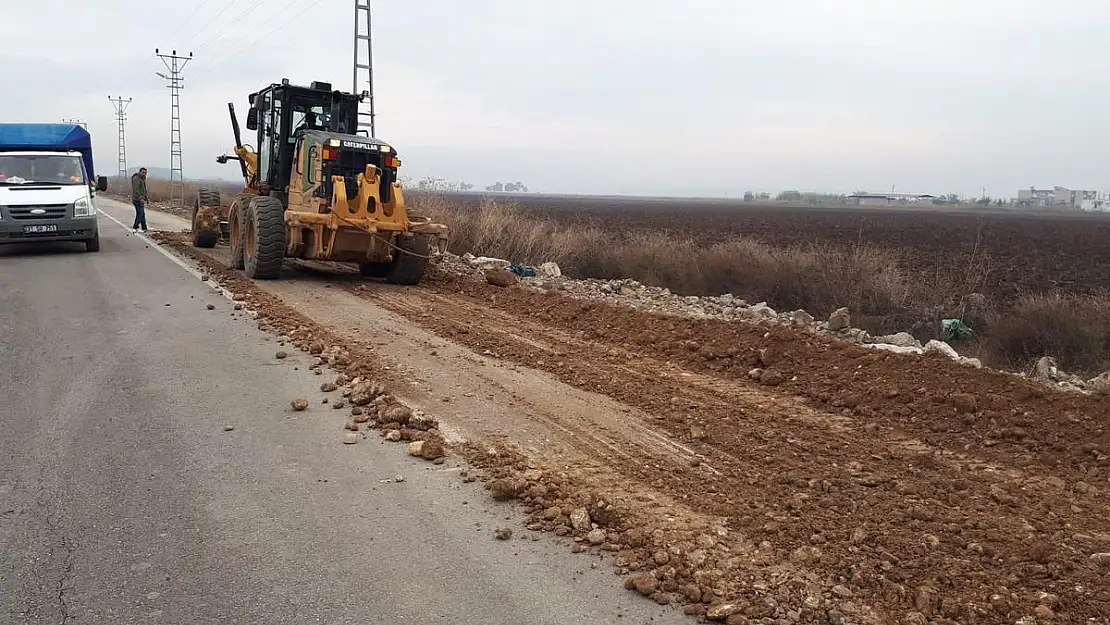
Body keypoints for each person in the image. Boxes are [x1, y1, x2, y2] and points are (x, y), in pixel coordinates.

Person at [130, 167, 149, 233]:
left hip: (141, 199)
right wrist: (140, 198)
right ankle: (135, 227)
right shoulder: (137, 179)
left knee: (142, 214)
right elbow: (136, 190)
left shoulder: (142, 179)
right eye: (143, 172)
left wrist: (146, 198)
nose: (144, 174)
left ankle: (144, 228)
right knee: (140, 214)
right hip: (137, 199)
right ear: (140, 172)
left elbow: (143, 190)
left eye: (145, 173)